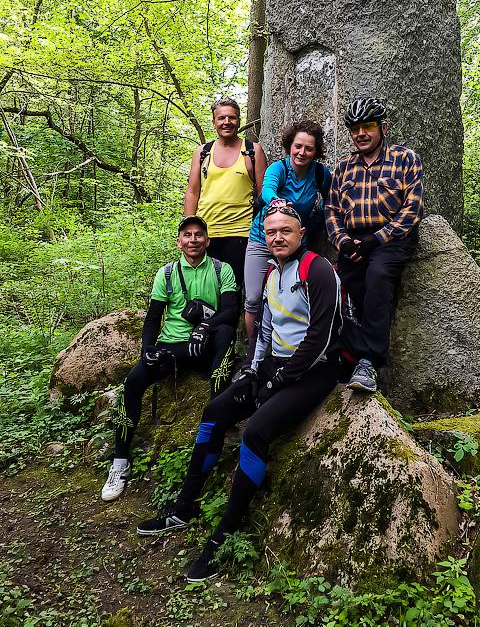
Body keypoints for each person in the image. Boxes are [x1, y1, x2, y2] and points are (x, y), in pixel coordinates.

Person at [136, 201, 341, 583]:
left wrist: (279, 381)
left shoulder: (319, 270)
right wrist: (252, 368)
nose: (277, 236)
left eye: (286, 230)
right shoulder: (269, 273)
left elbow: (320, 337)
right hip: (272, 363)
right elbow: (263, 329)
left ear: (301, 234)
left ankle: (222, 536)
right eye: (271, 230)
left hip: (314, 371)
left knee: (253, 433)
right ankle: (185, 507)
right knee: (214, 412)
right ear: (264, 235)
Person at [101, 216, 238, 503]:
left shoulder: (221, 269)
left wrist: (205, 327)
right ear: (179, 241)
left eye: (199, 234)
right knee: (133, 382)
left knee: (225, 333)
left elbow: (230, 311)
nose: (193, 240)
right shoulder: (166, 274)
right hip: (172, 347)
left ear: (207, 240)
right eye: (187, 235)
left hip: (205, 347)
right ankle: (120, 461)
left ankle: (219, 415)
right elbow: (153, 317)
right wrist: (146, 349)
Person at [326, 96, 423, 395]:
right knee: (341, 286)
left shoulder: (405, 159)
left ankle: (368, 362)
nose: (361, 134)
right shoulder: (343, 168)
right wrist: (343, 242)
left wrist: (375, 241)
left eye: (367, 126)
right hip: (352, 240)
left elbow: (413, 209)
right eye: (355, 128)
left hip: (392, 238)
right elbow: (331, 210)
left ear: (383, 127)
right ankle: (346, 357)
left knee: (377, 276)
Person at [244, 120, 331, 338]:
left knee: (297, 296)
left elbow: (331, 199)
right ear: (290, 146)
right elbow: (267, 190)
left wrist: (313, 220)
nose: (302, 152)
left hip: (296, 243)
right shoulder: (279, 169)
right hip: (263, 239)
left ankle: (293, 347)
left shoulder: (320, 174)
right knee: (254, 298)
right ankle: (253, 355)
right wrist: (276, 202)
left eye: (309, 148)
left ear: (316, 151)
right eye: (298, 146)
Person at [183, 97, 267, 288]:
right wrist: (188, 232)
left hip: (240, 234)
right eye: (221, 118)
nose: (226, 122)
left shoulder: (253, 151)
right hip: (205, 234)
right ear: (214, 122)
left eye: (232, 117)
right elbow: (192, 192)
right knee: (202, 288)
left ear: (239, 120)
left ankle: (229, 319)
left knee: (232, 290)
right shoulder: (203, 152)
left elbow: (264, 195)